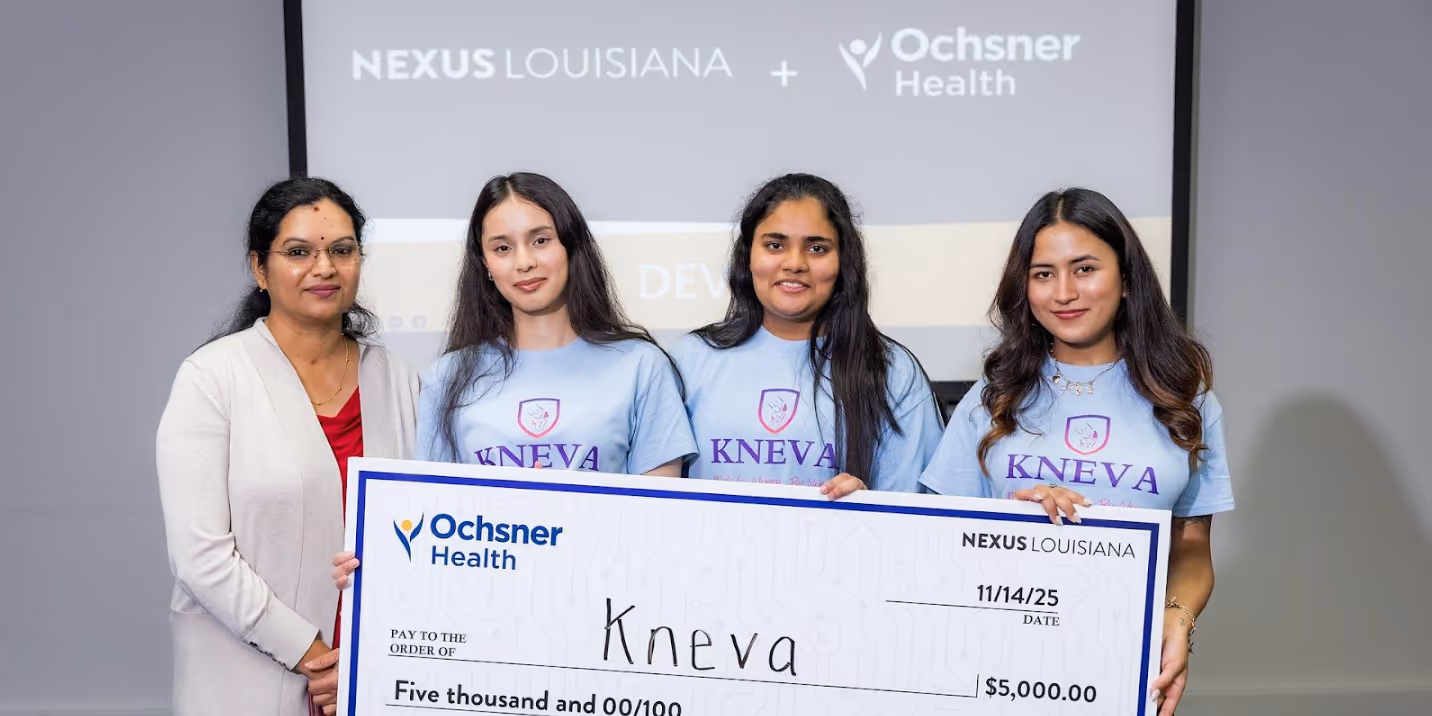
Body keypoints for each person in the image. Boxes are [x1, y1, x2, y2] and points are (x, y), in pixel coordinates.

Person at [919, 187, 1234, 716]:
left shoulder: (1185, 396)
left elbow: (1193, 549)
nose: (1063, 292)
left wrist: (1177, 622)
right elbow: (934, 541)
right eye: (1043, 273)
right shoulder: (994, 393)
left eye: (1084, 268)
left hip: (1121, 667)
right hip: (991, 665)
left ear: (1127, 278)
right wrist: (1008, 522)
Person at [332, 172, 694, 586]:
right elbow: (432, 525)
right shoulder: (449, 377)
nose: (524, 262)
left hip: (608, 611)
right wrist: (377, 565)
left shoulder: (641, 366)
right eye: (502, 248)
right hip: (486, 615)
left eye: (540, 240)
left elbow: (663, 527)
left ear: (571, 246)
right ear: (485, 264)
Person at [155, 178, 418, 716]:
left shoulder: (398, 379)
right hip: (251, 676)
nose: (324, 268)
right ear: (259, 268)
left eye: (342, 251)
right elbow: (200, 557)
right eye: (299, 252)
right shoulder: (212, 378)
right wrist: (315, 657)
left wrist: (368, 660)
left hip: (377, 672)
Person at [672, 173, 943, 497]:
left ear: (842, 261)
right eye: (775, 245)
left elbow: (918, 523)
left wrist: (870, 507)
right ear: (748, 256)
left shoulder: (893, 370)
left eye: (816, 248)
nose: (794, 263)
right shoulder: (691, 359)